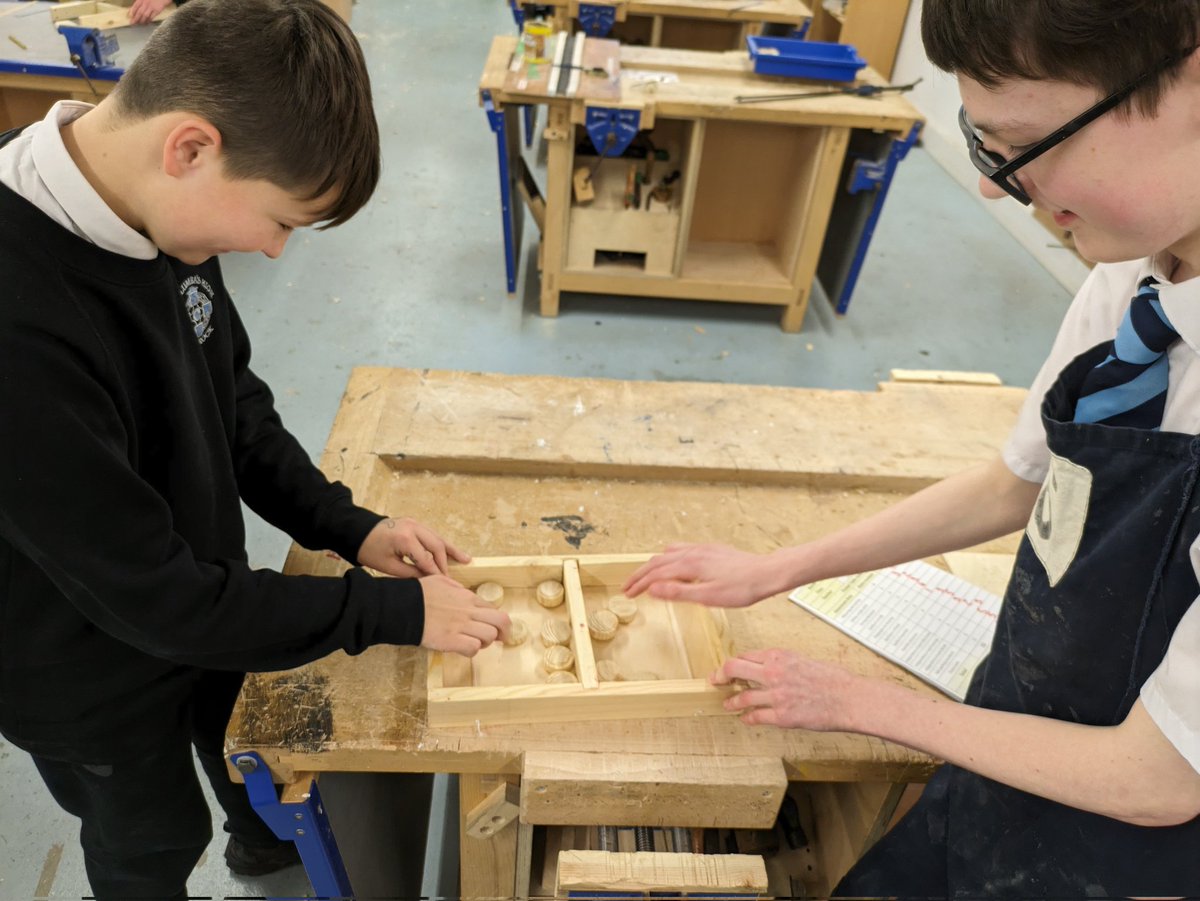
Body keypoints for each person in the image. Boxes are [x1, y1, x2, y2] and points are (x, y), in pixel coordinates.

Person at [624, 0, 1200, 895]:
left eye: (1022, 145)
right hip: (1008, 737)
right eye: (983, 147)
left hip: (1127, 845)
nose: (990, 186)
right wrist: (776, 568)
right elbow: (1014, 485)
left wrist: (856, 704)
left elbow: (1159, 779)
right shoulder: (1138, 264)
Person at [0, 1, 509, 899]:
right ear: (191, 147)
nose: (274, 253)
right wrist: (390, 615)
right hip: (80, 664)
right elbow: (154, 599)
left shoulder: (155, 208)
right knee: (151, 835)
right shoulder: (22, 325)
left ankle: (261, 844)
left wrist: (348, 526)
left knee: (237, 738)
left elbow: (230, 402)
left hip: (194, 595)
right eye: (278, 220)